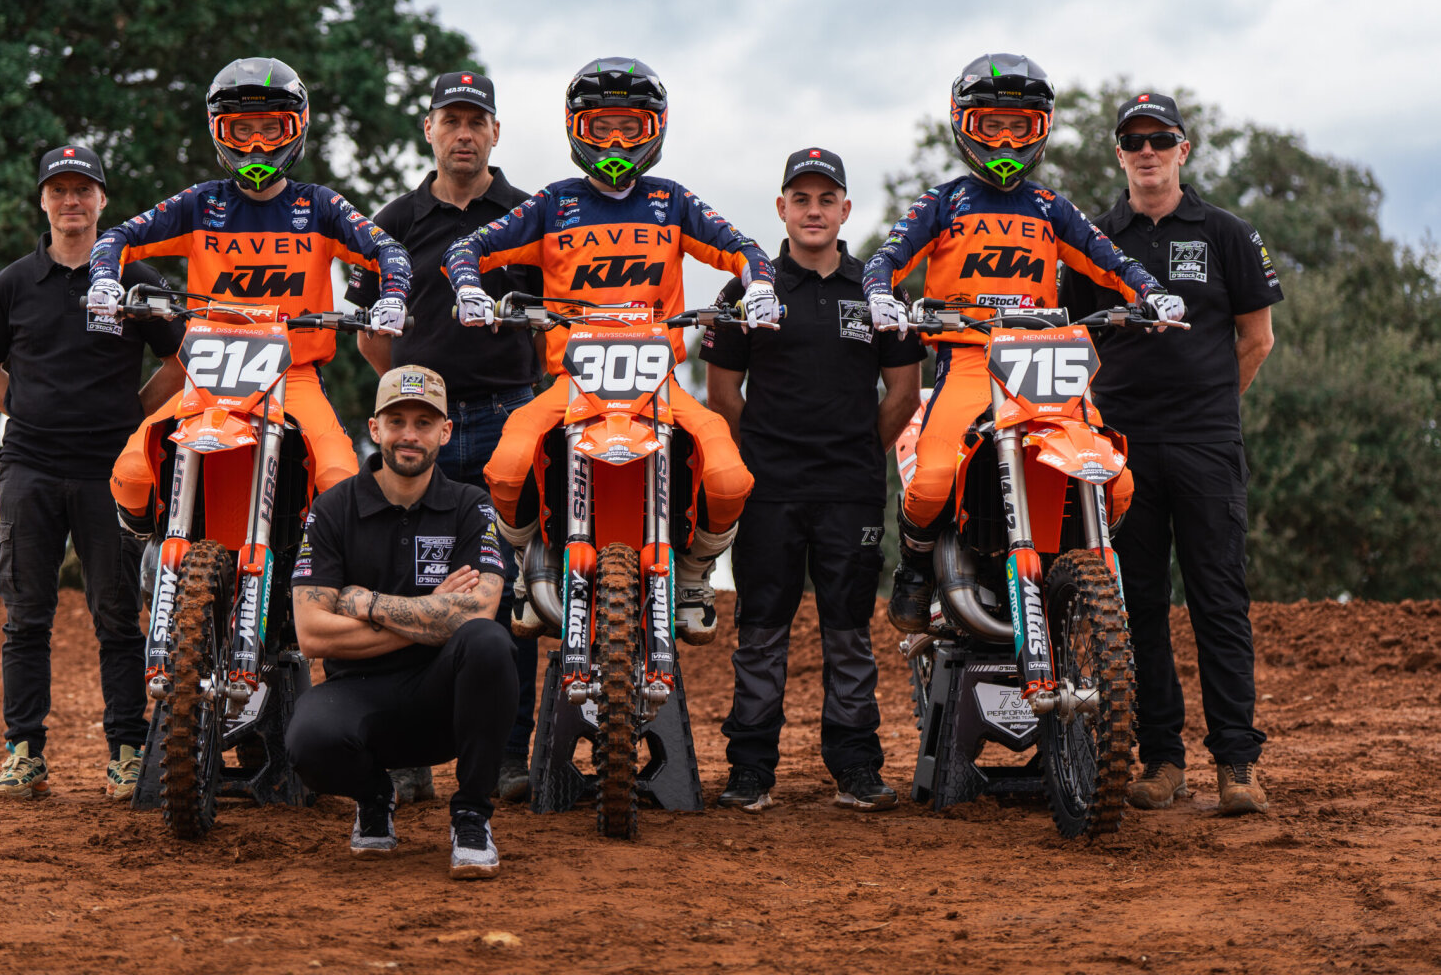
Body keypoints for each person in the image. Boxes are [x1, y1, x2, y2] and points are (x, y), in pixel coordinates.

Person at [444, 57, 781, 645]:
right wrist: (469, 288)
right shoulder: (554, 204)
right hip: (571, 383)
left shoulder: (671, 201)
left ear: (656, 129)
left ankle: (693, 575)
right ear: (577, 128)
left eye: (631, 126)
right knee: (506, 465)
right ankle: (528, 564)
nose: (617, 142)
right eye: (602, 127)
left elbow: (744, 248)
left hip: (660, 385)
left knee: (730, 478)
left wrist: (760, 287)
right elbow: (467, 247)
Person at [863, 53, 1184, 634]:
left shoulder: (1049, 207)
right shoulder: (944, 202)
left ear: (1042, 128)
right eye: (992, 126)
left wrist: (1153, 292)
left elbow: (1111, 259)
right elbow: (886, 258)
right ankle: (915, 565)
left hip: (1045, 361)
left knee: (1118, 482)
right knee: (932, 482)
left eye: (1021, 126)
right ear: (965, 125)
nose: (1007, 140)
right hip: (969, 359)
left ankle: (1068, 567)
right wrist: (880, 295)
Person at [1058, 92, 1281, 816]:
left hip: (1206, 444)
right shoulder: (1092, 240)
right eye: (1134, 141)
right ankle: (1162, 760)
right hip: (1119, 449)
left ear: (1184, 149)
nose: (1147, 152)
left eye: (1161, 139)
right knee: (1138, 606)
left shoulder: (1227, 233)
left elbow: (1257, 338)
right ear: (1119, 153)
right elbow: (1072, 339)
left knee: (1219, 600)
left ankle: (1237, 766)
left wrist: (1210, 406)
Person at [84, 57, 412, 532]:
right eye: (242, 130)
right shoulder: (201, 204)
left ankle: (318, 565)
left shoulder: (319, 206)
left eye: (270, 128)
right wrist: (103, 280)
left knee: (338, 477)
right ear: (220, 132)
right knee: (132, 476)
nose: (257, 143)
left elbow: (388, 249)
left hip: (293, 373)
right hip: (208, 371)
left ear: (295, 128)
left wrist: (393, 297)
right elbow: (116, 236)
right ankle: (155, 541)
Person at [703, 148, 925, 813]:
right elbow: (722, 393)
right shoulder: (747, 291)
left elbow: (904, 393)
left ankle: (856, 767)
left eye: (826, 199)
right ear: (781, 208)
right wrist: (762, 455)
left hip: (850, 489)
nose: (813, 210)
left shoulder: (880, 292)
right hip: (768, 489)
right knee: (761, 630)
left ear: (845, 210)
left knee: (849, 632)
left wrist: (855, 449)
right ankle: (750, 770)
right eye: (801, 199)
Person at [0, 145, 187, 800]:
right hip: (28, 467)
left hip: (110, 471)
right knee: (25, 617)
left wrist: (132, 418)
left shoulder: (137, 280)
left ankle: (126, 755)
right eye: (58, 190)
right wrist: (31, 413)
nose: (71, 201)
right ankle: (23, 756)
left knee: (117, 615)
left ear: (101, 200)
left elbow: (179, 363)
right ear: (42, 200)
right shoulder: (11, 284)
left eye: (83, 190)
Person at [346, 70, 543, 807]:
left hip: (507, 418)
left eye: (476, 121)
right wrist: (413, 400)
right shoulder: (393, 221)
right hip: (418, 427)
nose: (464, 134)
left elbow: (550, 326)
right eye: (450, 121)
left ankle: (510, 757)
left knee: (511, 587)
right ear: (427, 129)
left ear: (495, 132)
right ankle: (406, 758)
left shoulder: (530, 215)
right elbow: (372, 335)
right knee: (407, 581)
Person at [285, 366, 517, 880]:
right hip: (359, 697)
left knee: (488, 642)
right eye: (397, 421)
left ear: (445, 432)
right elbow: (312, 633)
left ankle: (472, 817)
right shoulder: (332, 508)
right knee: (308, 741)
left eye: (423, 423)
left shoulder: (471, 506)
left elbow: (477, 612)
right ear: (375, 428)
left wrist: (368, 603)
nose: (409, 435)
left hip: (446, 703)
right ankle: (374, 796)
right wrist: (432, 612)